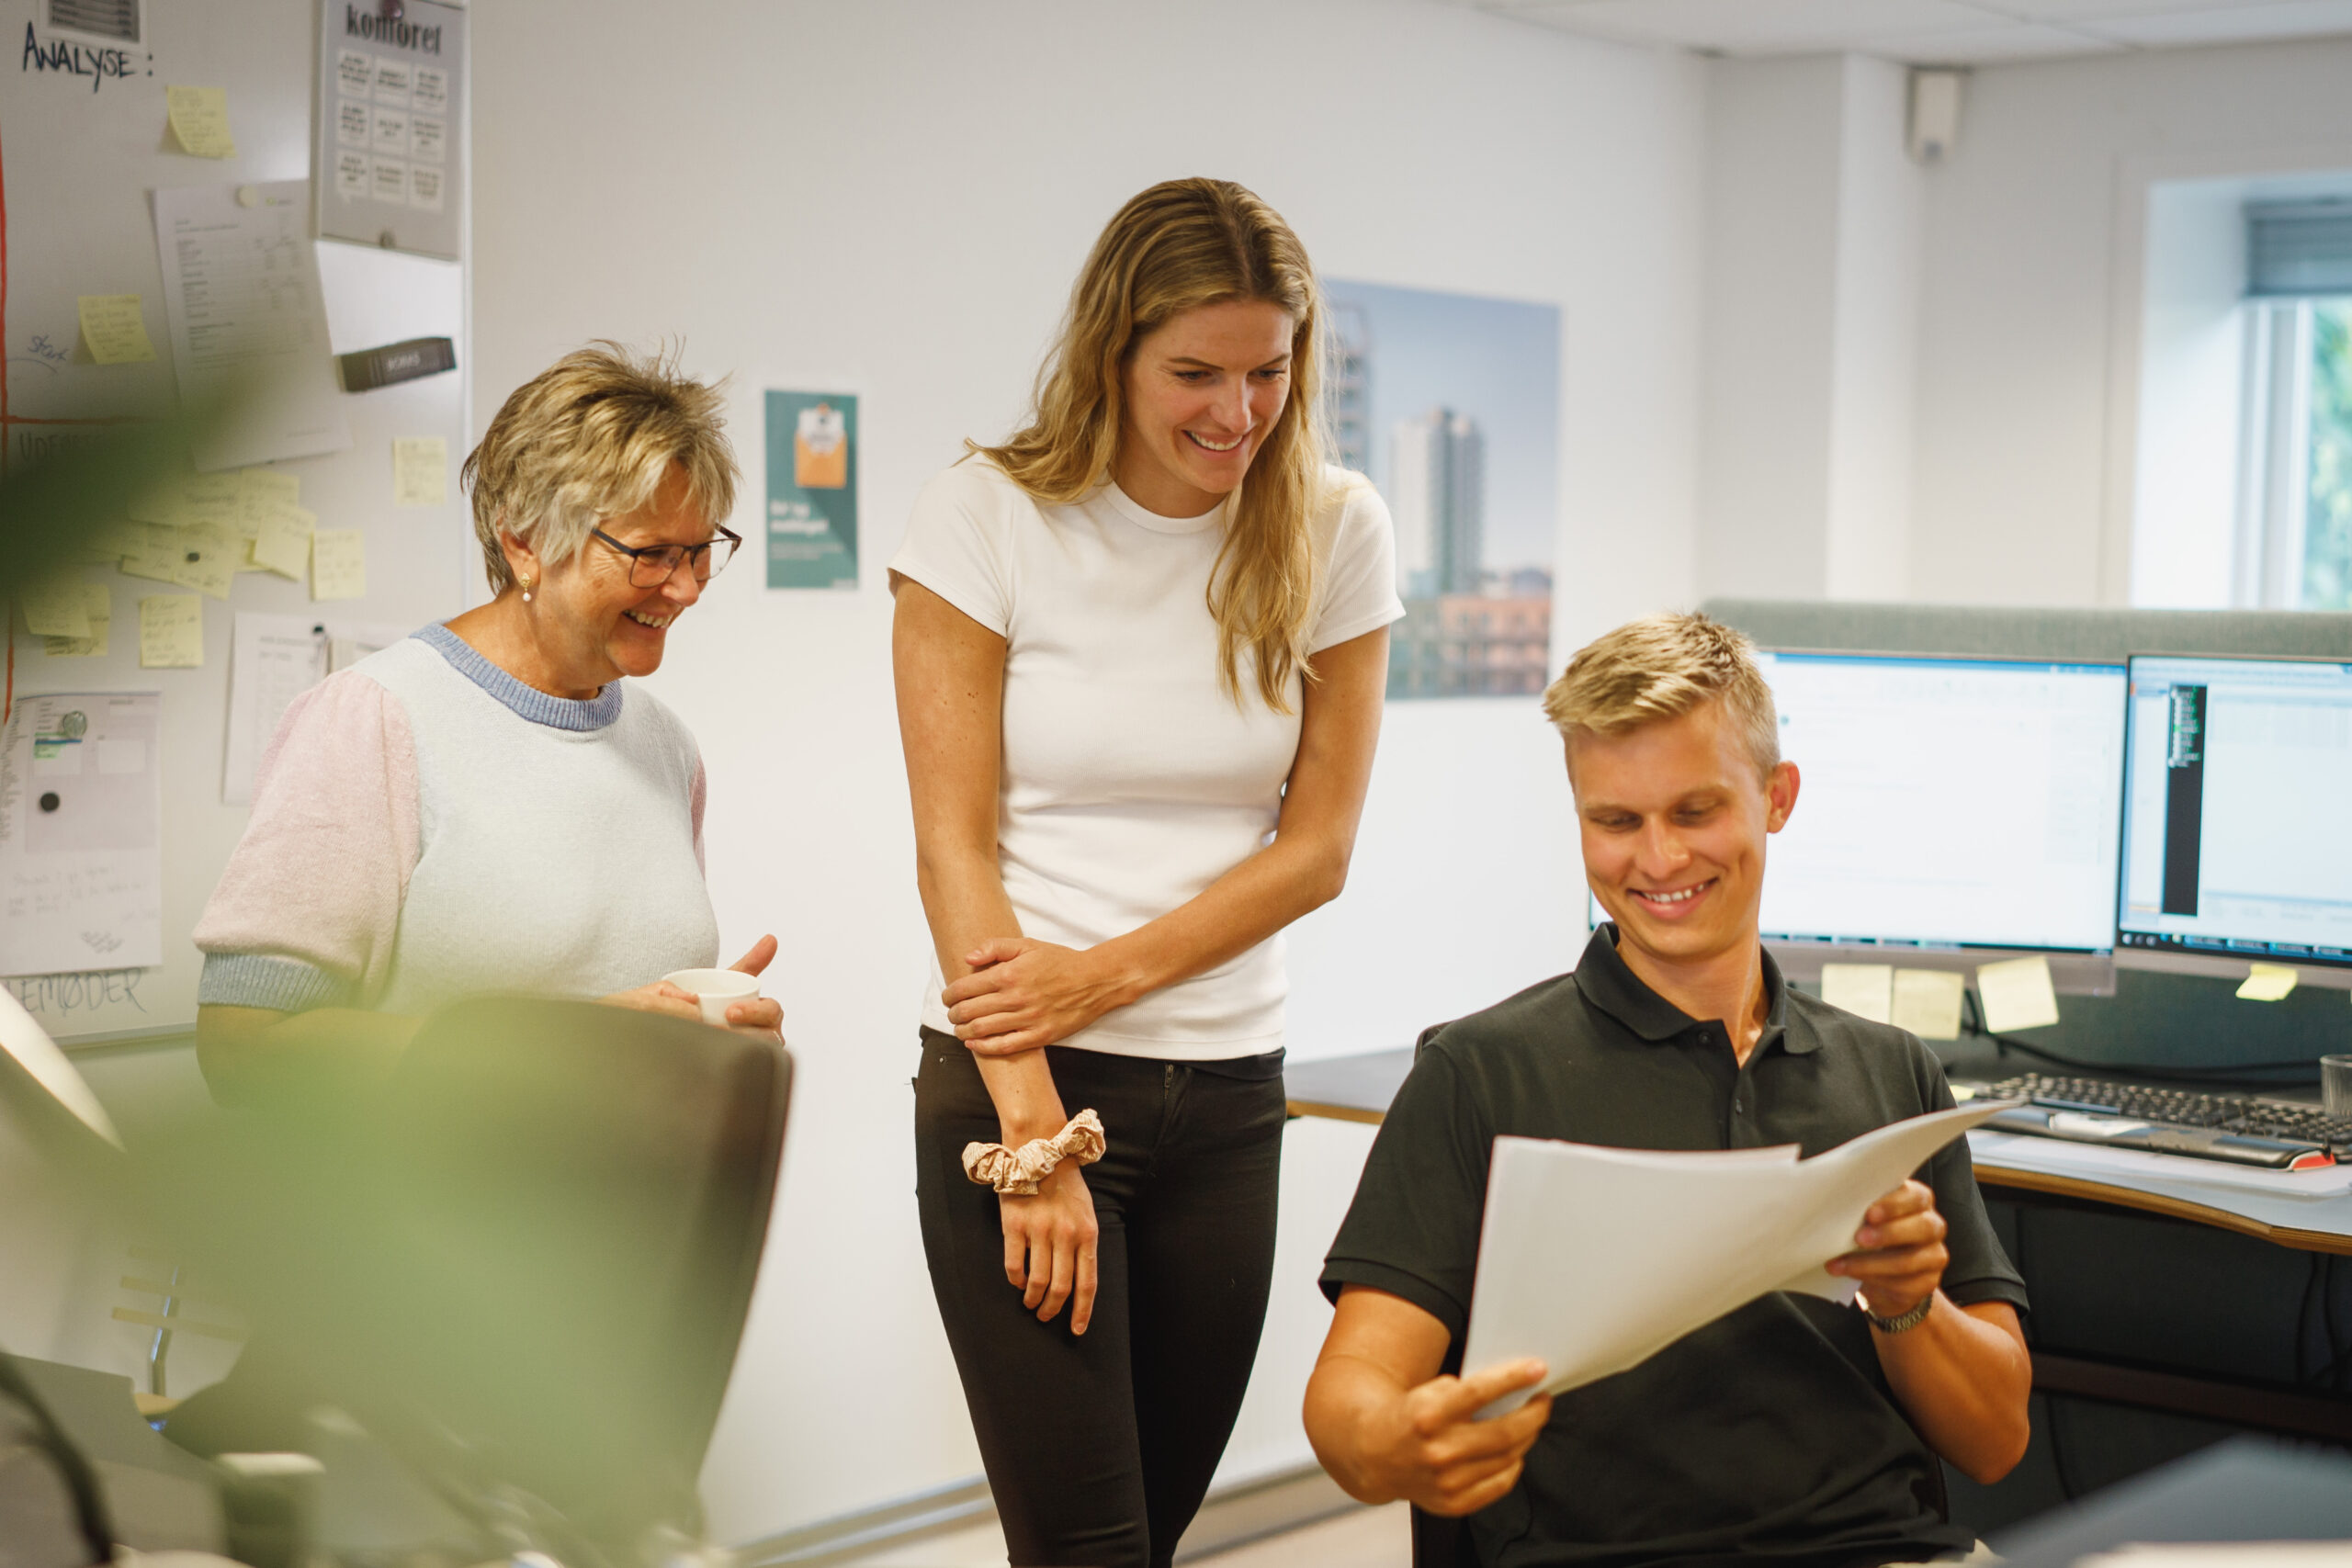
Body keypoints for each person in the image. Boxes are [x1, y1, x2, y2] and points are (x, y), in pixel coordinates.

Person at [890, 177, 1404, 1568]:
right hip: (1022, 1085)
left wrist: (1103, 975)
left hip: (1229, 1101)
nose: (1238, 412)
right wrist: (1035, 1133)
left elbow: (1318, 848)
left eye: (1268, 371)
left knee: (1149, 1539)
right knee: (1090, 1550)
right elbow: (952, 846)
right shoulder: (986, 515)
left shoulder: (1334, 526)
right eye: (1195, 373)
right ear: (1112, 352)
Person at [1303, 613, 2032, 1568]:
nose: (1657, 860)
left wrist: (1907, 1303)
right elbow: (1350, 1390)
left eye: (1694, 812)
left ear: (1777, 797)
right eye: (1615, 822)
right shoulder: (1480, 1074)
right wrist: (1393, 1442)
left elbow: (1996, 1440)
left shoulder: (1891, 1073)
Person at [191, 343, 783, 1107]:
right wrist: (565, 1045)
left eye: (700, 553)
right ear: (524, 542)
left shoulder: (666, 746)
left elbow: (628, 1038)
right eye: (651, 554)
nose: (687, 589)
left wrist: (712, 1045)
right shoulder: (374, 719)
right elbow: (243, 1045)